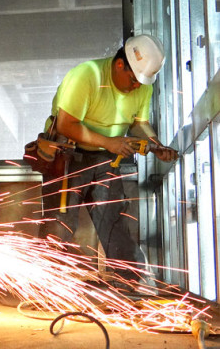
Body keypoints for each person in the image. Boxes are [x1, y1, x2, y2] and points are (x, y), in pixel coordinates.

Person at [38, 35, 177, 278]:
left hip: (105, 157)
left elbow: (139, 124)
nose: (137, 87)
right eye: (134, 81)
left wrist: (156, 145)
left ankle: (132, 283)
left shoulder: (143, 86)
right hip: (67, 155)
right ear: (120, 64)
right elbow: (66, 125)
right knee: (60, 223)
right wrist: (110, 142)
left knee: (114, 222)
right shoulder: (87, 75)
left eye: (141, 83)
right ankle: (46, 283)